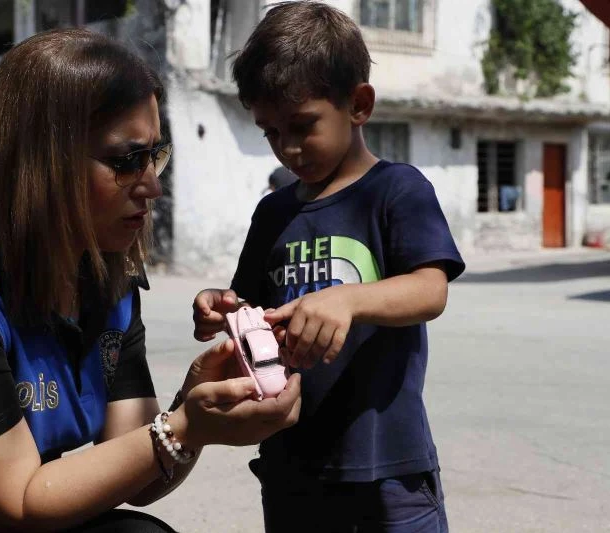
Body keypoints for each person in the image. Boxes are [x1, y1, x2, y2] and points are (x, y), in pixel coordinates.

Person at [0, 28, 301, 533]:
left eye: (155, 155)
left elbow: (135, 477)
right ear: (42, 163)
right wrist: (184, 426)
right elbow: (18, 504)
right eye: (127, 160)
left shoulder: (108, 287)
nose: (152, 185)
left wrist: (195, 402)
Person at [192, 2, 465, 532]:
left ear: (358, 104)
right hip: (293, 466)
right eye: (270, 131)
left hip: (387, 465)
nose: (287, 148)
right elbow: (252, 304)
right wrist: (224, 308)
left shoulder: (396, 190)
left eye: (302, 125)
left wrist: (348, 298)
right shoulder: (274, 212)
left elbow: (430, 289)